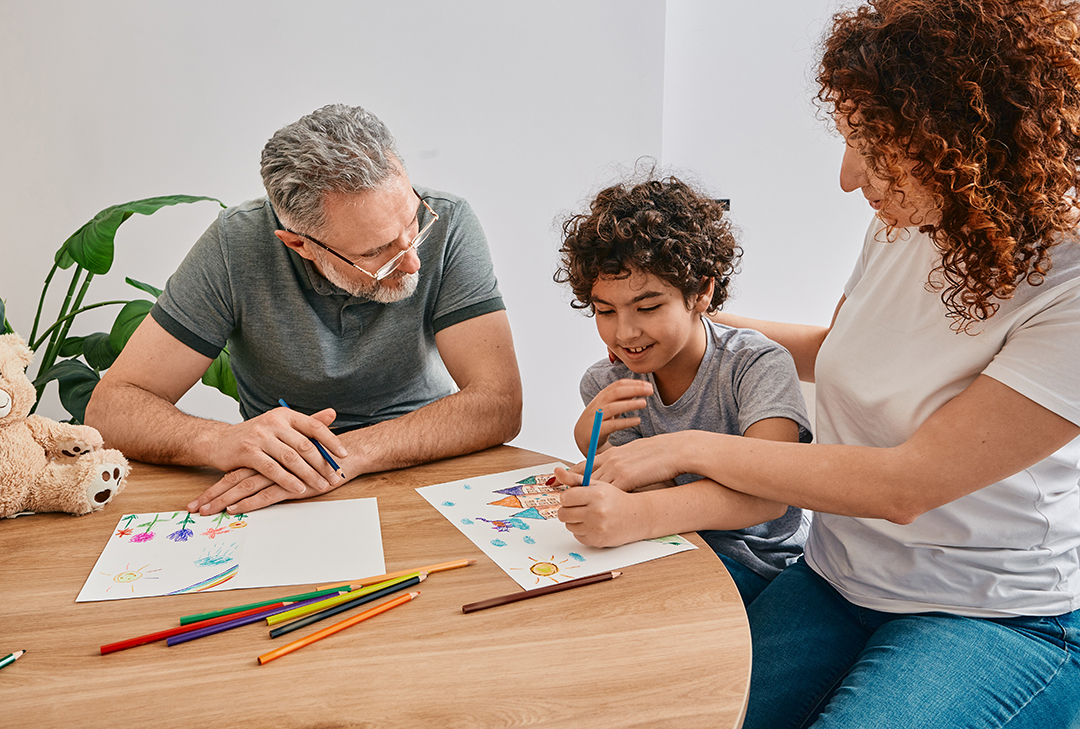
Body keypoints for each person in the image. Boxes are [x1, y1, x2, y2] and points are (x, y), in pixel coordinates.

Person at [570, 1, 1080, 726]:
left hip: (991, 611)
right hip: (837, 575)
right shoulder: (906, 223)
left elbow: (906, 484)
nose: (848, 177)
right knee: (679, 713)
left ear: (960, 141)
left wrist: (682, 447)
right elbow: (833, 349)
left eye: (872, 146)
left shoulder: (1069, 284)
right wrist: (669, 326)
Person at [86, 104, 522, 516]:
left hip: (424, 463)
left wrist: (345, 454)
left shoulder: (449, 220)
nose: (413, 263)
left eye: (413, 225)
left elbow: (499, 401)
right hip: (282, 483)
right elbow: (112, 408)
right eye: (375, 252)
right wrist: (217, 440)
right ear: (299, 244)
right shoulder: (234, 245)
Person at [551, 174, 812, 606]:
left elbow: (771, 497)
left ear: (703, 291)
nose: (625, 332)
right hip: (670, 547)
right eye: (605, 311)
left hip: (759, 565)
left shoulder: (756, 363)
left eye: (648, 307)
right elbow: (651, 492)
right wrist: (596, 451)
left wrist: (636, 513)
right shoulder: (606, 384)